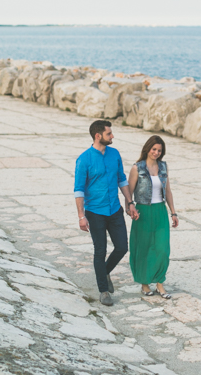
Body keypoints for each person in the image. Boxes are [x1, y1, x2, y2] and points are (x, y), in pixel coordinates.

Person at [74, 120, 139, 306]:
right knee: (100, 250)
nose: (112, 136)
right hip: (94, 212)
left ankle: (104, 272)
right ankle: (103, 291)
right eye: (109, 133)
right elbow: (78, 190)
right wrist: (81, 216)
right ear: (98, 136)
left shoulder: (114, 154)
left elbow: (122, 180)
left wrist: (130, 203)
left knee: (122, 247)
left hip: (114, 209)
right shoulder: (84, 159)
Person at [127, 135, 179, 299]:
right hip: (143, 212)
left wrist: (173, 212)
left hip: (160, 211)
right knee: (143, 248)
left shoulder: (163, 167)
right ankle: (144, 283)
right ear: (147, 148)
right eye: (154, 149)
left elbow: (168, 191)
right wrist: (130, 208)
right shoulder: (137, 168)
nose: (156, 152)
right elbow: (128, 192)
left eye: (159, 150)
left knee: (162, 249)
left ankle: (160, 284)